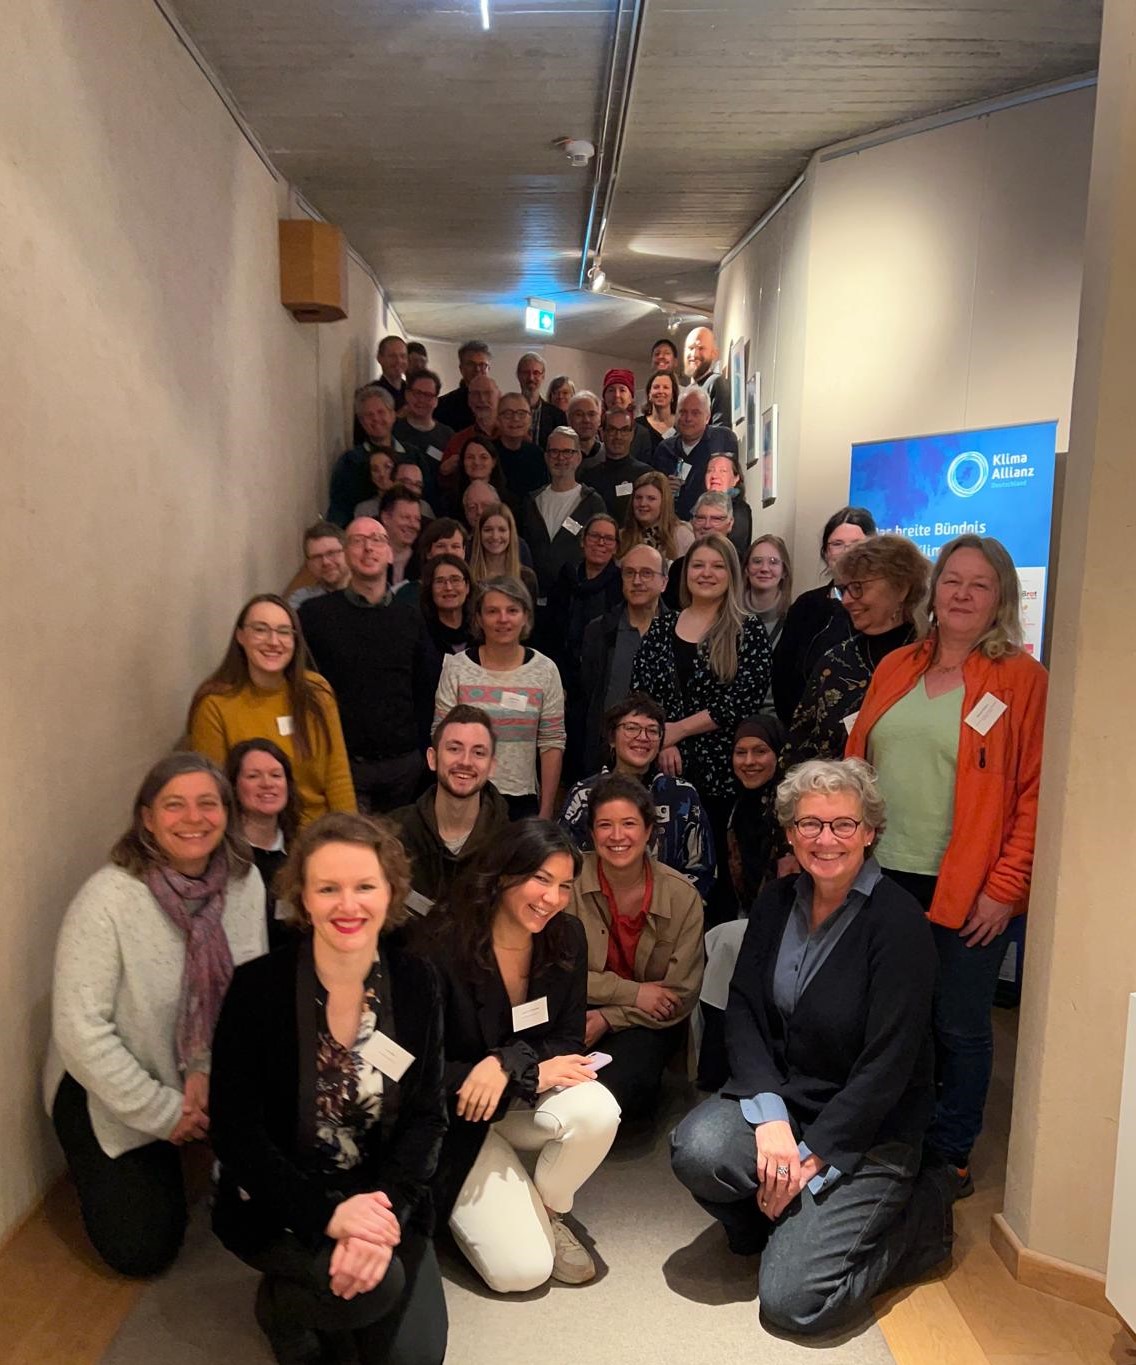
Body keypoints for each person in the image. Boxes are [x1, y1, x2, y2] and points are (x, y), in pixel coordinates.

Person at [671, 759, 953, 1337]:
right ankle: (776, 1224)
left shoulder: (899, 922)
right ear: (791, 832)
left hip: (870, 1132)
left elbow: (889, 1064)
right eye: (810, 824)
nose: (826, 840)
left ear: (869, 832)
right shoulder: (776, 902)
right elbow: (744, 1011)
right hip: (788, 1105)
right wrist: (771, 1117)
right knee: (698, 1148)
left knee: (792, 1302)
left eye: (843, 824)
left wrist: (812, 1158)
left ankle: (922, 1219)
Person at [845, 535, 1048, 1197]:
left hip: (970, 886)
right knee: (888, 1018)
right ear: (933, 591)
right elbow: (856, 764)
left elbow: (1035, 793)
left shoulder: (1023, 680)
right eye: (952, 580)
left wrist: (1006, 887)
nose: (962, 594)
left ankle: (949, 1154)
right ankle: (893, 1134)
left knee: (958, 1025)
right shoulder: (897, 665)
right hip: (880, 876)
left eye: (979, 584)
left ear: (1001, 599)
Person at [209, 813, 448, 1365]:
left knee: (413, 1358)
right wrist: (326, 1217)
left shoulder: (417, 984)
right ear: (303, 897)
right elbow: (236, 1134)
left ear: (390, 893)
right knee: (374, 1292)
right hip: (280, 1200)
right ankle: (282, 1311)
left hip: (381, 1196)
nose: (348, 905)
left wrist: (381, 1218)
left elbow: (427, 1119)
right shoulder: (256, 989)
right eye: (328, 889)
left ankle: (333, 1290)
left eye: (365, 886)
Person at [45, 753, 267, 1277]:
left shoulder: (245, 882)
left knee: (274, 1194)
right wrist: (165, 1114)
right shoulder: (108, 899)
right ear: (146, 818)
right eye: (174, 805)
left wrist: (209, 1074)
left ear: (227, 812)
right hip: (108, 1090)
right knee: (142, 1251)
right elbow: (81, 1033)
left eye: (207, 803)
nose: (193, 818)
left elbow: (248, 999)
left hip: (206, 1074)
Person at [416, 820, 621, 1292]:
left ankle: (548, 1210)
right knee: (522, 1272)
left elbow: (567, 1041)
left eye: (564, 885)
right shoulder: (440, 945)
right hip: (457, 1116)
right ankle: (464, 1198)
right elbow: (423, 1071)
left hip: (518, 1095)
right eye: (541, 879)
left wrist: (509, 1065)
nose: (553, 898)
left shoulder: (566, 936)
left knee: (597, 1109)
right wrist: (512, 1070)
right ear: (504, 874)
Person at [631, 533, 772, 927]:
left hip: (723, 774)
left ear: (732, 574)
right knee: (664, 868)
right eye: (698, 565)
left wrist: (678, 730)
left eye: (717, 566)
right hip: (664, 768)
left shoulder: (747, 630)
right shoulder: (662, 627)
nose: (706, 573)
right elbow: (641, 692)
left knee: (718, 876)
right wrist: (662, 741)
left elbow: (743, 698)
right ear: (685, 573)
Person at [567, 774, 704, 1123]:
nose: (617, 836)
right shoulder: (568, 884)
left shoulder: (682, 896)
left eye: (628, 824)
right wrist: (634, 993)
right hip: (576, 1009)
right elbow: (555, 973)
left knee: (617, 1093)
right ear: (591, 832)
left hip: (646, 1022)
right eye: (605, 825)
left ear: (648, 831)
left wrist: (609, 1018)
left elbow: (679, 995)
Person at [301, 518, 440, 813]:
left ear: (389, 553)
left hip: (403, 766)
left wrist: (419, 752)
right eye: (358, 540)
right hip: (344, 765)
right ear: (345, 553)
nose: (368, 548)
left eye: (377, 539)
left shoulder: (410, 617)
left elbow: (426, 687)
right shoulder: (314, 616)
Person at [188, 594, 356, 826]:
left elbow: (337, 776)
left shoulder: (317, 691)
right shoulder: (215, 705)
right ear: (240, 636)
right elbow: (215, 793)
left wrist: (349, 834)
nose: (273, 641)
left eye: (284, 632)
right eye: (260, 630)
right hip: (257, 836)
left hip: (320, 832)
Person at [783, 534, 930, 767]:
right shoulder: (835, 663)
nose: (847, 600)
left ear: (901, 588)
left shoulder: (934, 660)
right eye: (844, 589)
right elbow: (798, 750)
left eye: (858, 588)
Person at [560, 694, 715, 902]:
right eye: (632, 728)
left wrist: (670, 905)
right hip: (594, 908)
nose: (643, 737)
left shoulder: (682, 795)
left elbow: (702, 868)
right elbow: (563, 862)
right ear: (612, 738)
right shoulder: (584, 795)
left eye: (652, 731)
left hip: (668, 910)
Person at [434, 577, 566, 820]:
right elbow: (441, 736)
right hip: (464, 796)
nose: (503, 619)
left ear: (525, 616)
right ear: (479, 618)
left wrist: (546, 810)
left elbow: (552, 742)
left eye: (512, 611)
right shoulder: (457, 668)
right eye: (493, 611)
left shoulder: (545, 671)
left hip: (521, 801)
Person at [391, 705, 509, 911]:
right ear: (432, 758)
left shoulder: (510, 843)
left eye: (478, 753)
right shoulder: (393, 834)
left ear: (491, 766)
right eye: (454, 749)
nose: (465, 761)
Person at [772, 505, 877, 725]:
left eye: (856, 544)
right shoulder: (805, 606)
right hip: (806, 730)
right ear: (826, 552)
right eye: (837, 544)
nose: (847, 551)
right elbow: (782, 676)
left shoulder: (884, 609)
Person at [574, 543, 670, 775]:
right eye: (629, 573)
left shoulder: (679, 632)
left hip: (665, 758)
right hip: (605, 759)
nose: (637, 581)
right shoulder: (598, 631)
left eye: (646, 573)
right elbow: (588, 696)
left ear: (664, 582)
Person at [226, 738, 301, 948]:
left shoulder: (302, 851)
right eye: (253, 776)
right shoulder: (223, 854)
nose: (267, 783)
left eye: (276, 775)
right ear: (234, 786)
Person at [519, 427, 604, 604]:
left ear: (578, 457)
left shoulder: (592, 503)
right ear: (546, 457)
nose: (560, 458)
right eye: (554, 452)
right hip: (534, 600)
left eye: (567, 452)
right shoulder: (531, 501)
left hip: (577, 601)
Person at [651, 386, 740, 520]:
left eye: (695, 413)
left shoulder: (723, 439)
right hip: (674, 524)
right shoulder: (664, 449)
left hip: (714, 522)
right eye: (683, 412)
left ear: (707, 417)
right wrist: (664, 490)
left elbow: (735, 488)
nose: (688, 418)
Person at [328, 385, 405, 526]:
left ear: (393, 415)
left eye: (381, 412)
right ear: (362, 422)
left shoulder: (413, 456)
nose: (375, 418)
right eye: (369, 415)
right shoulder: (350, 462)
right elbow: (339, 510)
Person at [743, 534, 793, 712]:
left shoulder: (796, 621)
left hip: (775, 716)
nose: (764, 568)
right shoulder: (728, 618)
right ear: (746, 569)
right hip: (730, 713)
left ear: (784, 571)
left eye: (773, 562)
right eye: (757, 561)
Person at [663, 491, 736, 607]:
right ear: (692, 522)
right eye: (700, 518)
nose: (707, 525)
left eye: (716, 519)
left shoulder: (741, 565)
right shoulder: (678, 568)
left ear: (730, 524)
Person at [584, 407, 653, 521]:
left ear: (632, 434)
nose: (618, 436)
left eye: (624, 430)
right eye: (612, 429)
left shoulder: (646, 475)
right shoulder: (588, 478)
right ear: (602, 433)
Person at [620, 469, 694, 566]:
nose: (642, 503)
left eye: (651, 498)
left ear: (664, 502)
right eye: (638, 498)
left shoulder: (682, 535)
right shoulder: (622, 537)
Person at [468, 501, 537, 603]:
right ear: (479, 534)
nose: (495, 536)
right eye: (488, 530)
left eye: (502, 530)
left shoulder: (527, 578)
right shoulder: (467, 577)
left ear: (511, 533)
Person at [393, 368, 455, 476]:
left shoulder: (448, 435)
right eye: (417, 393)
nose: (421, 400)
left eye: (428, 395)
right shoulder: (392, 429)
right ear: (407, 395)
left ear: (436, 401)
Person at [493, 390, 547, 502]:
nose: (515, 419)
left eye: (522, 414)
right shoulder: (488, 453)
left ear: (530, 419)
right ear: (497, 419)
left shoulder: (538, 455)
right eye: (508, 414)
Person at [420, 552, 475, 656]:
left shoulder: (481, 632)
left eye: (455, 580)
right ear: (430, 588)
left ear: (467, 587)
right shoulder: (420, 634)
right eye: (440, 581)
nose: (448, 587)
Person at [289, 521, 350, 612]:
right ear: (308, 564)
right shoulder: (301, 601)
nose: (325, 562)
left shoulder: (368, 593)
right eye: (316, 557)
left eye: (331, 553)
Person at [435, 338, 491, 432]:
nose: (477, 369)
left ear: (488, 369)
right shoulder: (443, 405)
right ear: (461, 368)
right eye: (471, 364)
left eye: (482, 365)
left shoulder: (499, 405)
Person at [599, 369, 653, 463]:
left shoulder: (642, 434)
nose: (617, 395)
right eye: (611, 390)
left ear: (631, 398)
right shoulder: (594, 430)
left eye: (622, 390)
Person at [704, 451, 752, 556]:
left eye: (723, 471)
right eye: (710, 470)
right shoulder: (700, 507)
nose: (714, 475)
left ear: (736, 478)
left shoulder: (739, 510)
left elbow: (735, 552)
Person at [683, 324, 731, 428]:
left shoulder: (716, 383)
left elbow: (720, 430)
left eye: (701, 348)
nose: (694, 354)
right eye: (691, 348)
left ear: (714, 354)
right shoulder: (685, 392)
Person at [378, 484, 423, 590]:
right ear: (386, 518)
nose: (413, 525)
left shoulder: (424, 563)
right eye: (406, 517)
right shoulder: (370, 560)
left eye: (417, 519)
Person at [516, 352, 562, 449]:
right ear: (518, 375)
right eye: (526, 373)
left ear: (543, 376)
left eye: (536, 373)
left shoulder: (557, 416)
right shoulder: (507, 412)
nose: (531, 378)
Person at [637, 369, 679, 453]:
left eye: (666, 387)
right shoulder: (638, 426)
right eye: (656, 387)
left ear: (673, 395)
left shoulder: (682, 425)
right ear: (649, 394)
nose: (660, 391)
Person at [352, 446, 397, 518]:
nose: (382, 474)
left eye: (387, 467)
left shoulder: (413, 503)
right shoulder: (365, 509)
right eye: (375, 470)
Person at [566, 390, 603, 463]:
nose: (586, 420)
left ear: (599, 419)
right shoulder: (561, 458)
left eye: (591, 414)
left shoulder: (610, 455)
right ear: (569, 419)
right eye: (579, 414)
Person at [374, 334, 408, 409]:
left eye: (403, 356)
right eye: (392, 356)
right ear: (379, 358)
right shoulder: (371, 393)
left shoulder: (411, 392)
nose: (399, 361)